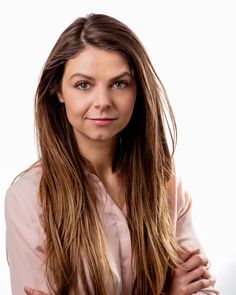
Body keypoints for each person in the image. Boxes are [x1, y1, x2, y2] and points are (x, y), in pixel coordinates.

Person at [5, 13, 219, 295]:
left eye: (119, 83)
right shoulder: (29, 199)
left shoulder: (165, 182)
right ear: (58, 90)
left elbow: (202, 290)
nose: (103, 102)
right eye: (84, 85)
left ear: (138, 90)